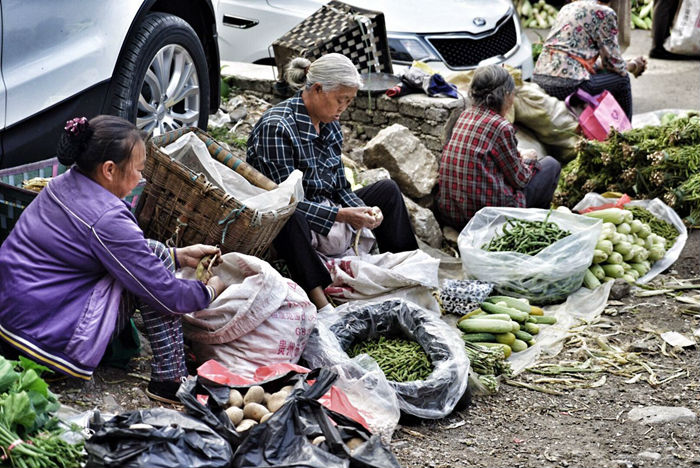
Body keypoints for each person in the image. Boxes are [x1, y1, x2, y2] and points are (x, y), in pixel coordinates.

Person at [0, 115, 226, 405]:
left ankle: (169, 376)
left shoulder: (62, 184)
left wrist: (178, 255)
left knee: (154, 254)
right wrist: (211, 290)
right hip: (45, 343)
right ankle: (170, 380)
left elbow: (106, 252)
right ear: (109, 169)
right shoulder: (108, 218)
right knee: (154, 265)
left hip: (12, 325)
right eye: (138, 170)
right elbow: (170, 297)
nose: (140, 179)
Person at [247, 53, 418, 311]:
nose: (344, 108)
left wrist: (363, 210)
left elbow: (339, 185)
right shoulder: (277, 127)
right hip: (289, 217)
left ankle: (408, 269)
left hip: (327, 210)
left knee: (388, 191)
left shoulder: (330, 125)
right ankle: (322, 302)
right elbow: (283, 201)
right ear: (317, 89)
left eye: (348, 101)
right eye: (341, 100)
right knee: (288, 219)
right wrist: (341, 215)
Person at [437, 65, 562, 231]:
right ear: (505, 95)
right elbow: (520, 179)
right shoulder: (500, 126)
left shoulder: (465, 115)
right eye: (512, 94)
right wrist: (530, 159)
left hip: (452, 214)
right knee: (551, 165)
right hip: (487, 219)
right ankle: (531, 227)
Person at [532, 0, 647, 120]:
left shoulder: (567, 8)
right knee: (622, 80)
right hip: (567, 84)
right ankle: (625, 133)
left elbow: (577, 57)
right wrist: (634, 65)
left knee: (601, 76)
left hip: (540, 79)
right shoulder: (604, 13)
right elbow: (613, 65)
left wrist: (624, 63)